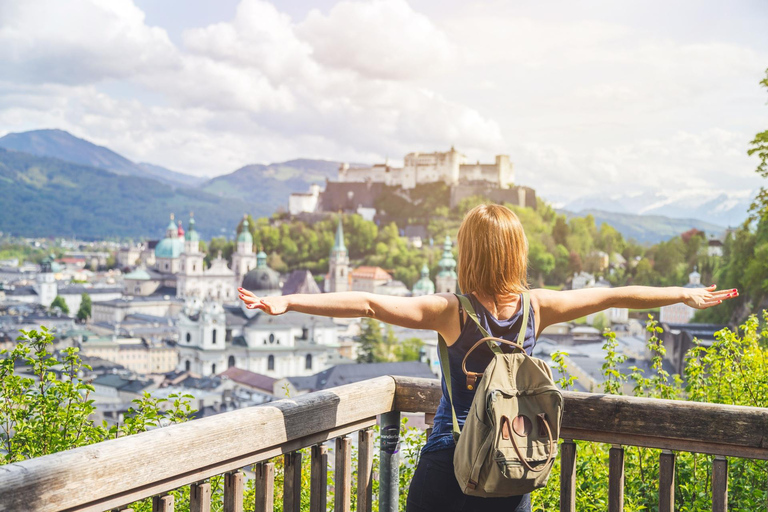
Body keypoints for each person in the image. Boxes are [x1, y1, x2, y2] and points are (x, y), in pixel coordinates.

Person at [238, 204, 737, 512]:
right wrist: (679, 293)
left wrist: (288, 301)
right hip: (510, 464)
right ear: (516, 252)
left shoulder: (450, 311)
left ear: (468, 254)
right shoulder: (538, 307)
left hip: (449, 460)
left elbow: (368, 304)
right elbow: (612, 295)